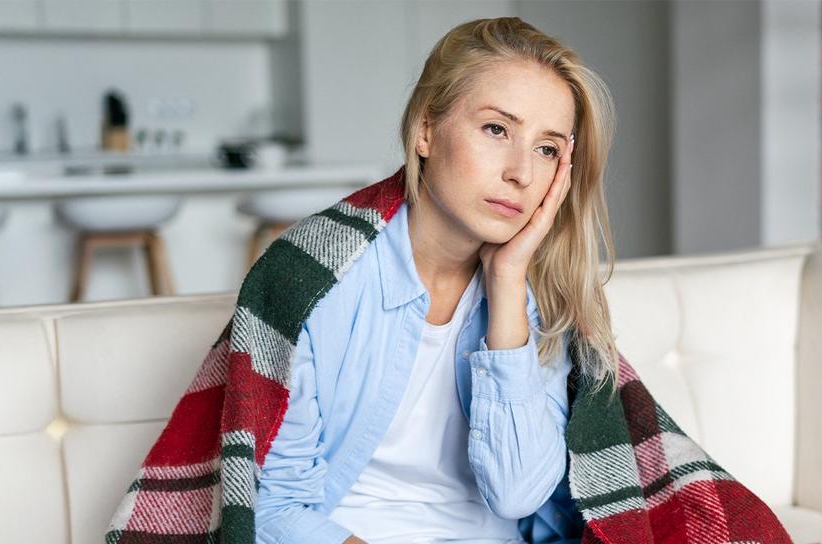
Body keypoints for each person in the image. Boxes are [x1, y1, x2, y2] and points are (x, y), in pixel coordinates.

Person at [253, 16, 620, 544]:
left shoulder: (538, 295)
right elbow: (271, 507)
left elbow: (518, 495)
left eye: (546, 149)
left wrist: (508, 280)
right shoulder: (315, 277)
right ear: (426, 129)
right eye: (497, 129)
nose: (521, 172)